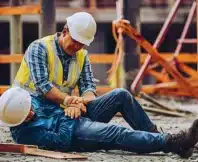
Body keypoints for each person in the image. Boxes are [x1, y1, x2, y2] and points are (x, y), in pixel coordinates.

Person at [2, 12, 197, 158]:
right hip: (60, 114)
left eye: (82, 44)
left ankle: (161, 138)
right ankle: (172, 142)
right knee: (115, 133)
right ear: (65, 31)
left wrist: (81, 103)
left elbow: (88, 89)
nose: (78, 47)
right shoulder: (40, 49)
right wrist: (71, 102)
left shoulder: (81, 55)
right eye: (75, 42)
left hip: (70, 112)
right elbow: (44, 87)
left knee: (121, 95)